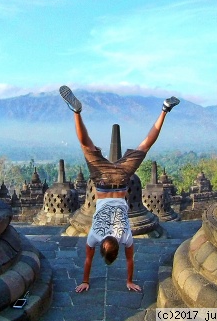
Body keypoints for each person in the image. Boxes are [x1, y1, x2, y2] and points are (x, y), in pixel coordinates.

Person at [59, 85, 179, 293]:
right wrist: (85, 280)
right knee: (86, 145)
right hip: (103, 180)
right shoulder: (95, 235)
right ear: (103, 249)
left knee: (145, 145)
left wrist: (129, 281)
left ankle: (164, 110)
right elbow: (88, 261)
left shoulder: (125, 236)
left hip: (121, 179)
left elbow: (130, 261)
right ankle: (77, 113)